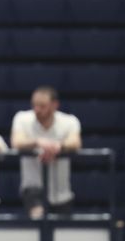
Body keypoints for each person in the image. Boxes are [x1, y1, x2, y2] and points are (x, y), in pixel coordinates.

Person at [10, 86, 81, 219]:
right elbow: (17, 142)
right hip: (33, 189)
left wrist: (58, 146)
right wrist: (37, 142)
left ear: (55, 105)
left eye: (42, 106)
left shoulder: (69, 121)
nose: (37, 110)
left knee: (61, 234)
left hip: (62, 194)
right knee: (39, 221)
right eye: (34, 105)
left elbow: (75, 142)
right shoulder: (22, 118)